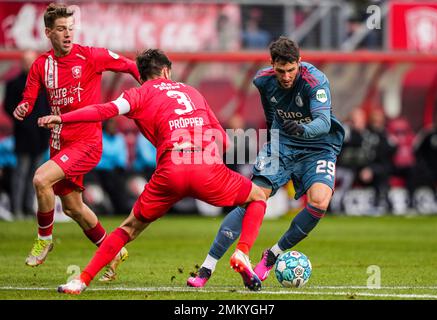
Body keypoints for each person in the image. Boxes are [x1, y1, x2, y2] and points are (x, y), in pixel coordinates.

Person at [38, 48, 269, 294]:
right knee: (257, 197)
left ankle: (80, 281)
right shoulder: (192, 91)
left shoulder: (137, 94)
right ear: (167, 70)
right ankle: (243, 253)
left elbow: (103, 110)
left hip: (171, 170)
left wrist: (63, 118)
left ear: (142, 74)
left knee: (128, 229)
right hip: (206, 167)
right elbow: (223, 142)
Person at [187, 36, 345, 287]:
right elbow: (270, 114)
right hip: (282, 144)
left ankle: (272, 255)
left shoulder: (316, 81)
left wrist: (302, 130)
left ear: (299, 63)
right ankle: (206, 268)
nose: (285, 76)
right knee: (254, 195)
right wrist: (275, 142)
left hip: (318, 146)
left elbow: (324, 123)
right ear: (272, 64)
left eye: (291, 70)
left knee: (319, 201)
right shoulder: (262, 80)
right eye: (280, 70)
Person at [12, 3, 140, 281]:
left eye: (70, 28)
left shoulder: (91, 56)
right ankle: (113, 251)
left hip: (87, 142)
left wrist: (156, 89)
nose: (68, 34)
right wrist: (23, 108)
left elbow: (131, 66)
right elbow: (28, 99)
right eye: (61, 29)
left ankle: (44, 240)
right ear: (48, 33)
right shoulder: (41, 65)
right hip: (60, 143)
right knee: (72, 207)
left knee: (40, 179)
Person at [4, 50, 50, 219]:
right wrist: (23, 122)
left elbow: (48, 106)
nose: (29, 65)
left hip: (40, 137)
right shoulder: (14, 84)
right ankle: (16, 209)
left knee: (36, 177)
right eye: (26, 61)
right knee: (20, 174)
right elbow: (9, 106)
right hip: (23, 136)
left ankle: (29, 207)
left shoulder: (43, 84)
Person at [88, 119, 134, 215]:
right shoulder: (98, 137)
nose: (113, 127)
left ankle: (121, 206)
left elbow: (122, 160)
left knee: (120, 189)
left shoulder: (120, 138)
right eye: (111, 124)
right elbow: (96, 159)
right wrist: (110, 161)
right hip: (98, 173)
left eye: (115, 124)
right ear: (105, 125)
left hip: (115, 172)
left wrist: (109, 161)